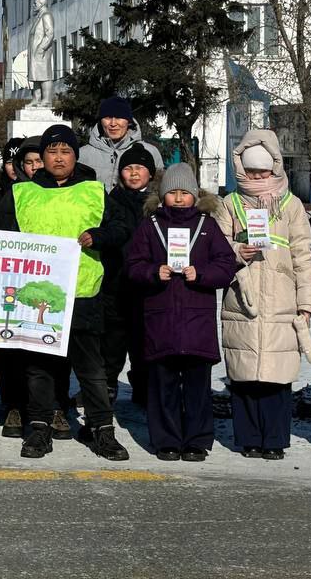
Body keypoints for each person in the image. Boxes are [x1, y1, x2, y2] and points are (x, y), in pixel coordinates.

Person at [0, 124, 130, 461]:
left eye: (65, 151)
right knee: (39, 367)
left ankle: (102, 429)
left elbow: (122, 229)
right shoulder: (21, 193)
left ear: (75, 156)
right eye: (52, 152)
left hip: (84, 293)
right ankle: (39, 428)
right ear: (41, 158)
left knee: (91, 370)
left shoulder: (94, 191)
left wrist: (99, 237)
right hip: (37, 296)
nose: (58, 157)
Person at [209, 129, 311, 460]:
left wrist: (307, 302)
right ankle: (249, 438)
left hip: (282, 305)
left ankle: (274, 440)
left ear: (276, 168)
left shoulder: (292, 206)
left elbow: (304, 256)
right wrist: (236, 251)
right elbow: (214, 248)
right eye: (251, 170)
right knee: (243, 376)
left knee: (276, 378)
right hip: (242, 302)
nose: (257, 176)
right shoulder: (229, 204)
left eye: (263, 170)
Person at [124, 164, 235, 461]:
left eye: (184, 193)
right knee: (163, 386)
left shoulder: (207, 226)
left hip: (197, 320)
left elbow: (226, 265)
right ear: (162, 196)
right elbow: (132, 265)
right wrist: (151, 272)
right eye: (172, 192)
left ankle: (198, 440)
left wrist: (201, 274)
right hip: (160, 320)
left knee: (198, 387)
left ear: (195, 195)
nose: (178, 198)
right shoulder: (150, 226)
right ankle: (166, 441)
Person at [0, 135, 71, 440]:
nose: (36, 166)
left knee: (54, 348)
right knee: (11, 348)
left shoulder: (62, 195)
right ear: (19, 166)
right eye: (29, 162)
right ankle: (14, 405)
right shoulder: (3, 199)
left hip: (51, 284)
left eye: (40, 160)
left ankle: (56, 406)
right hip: (12, 282)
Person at [90, 144, 156, 406]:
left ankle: (144, 388)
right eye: (128, 168)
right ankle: (106, 387)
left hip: (148, 286)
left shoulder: (159, 203)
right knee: (112, 343)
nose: (134, 173)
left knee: (144, 343)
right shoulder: (110, 200)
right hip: (115, 282)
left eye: (140, 168)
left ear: (150, 173)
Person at [78, 96, 164, 192]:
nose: (113, 123)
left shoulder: (149, 152)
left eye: (119, 117)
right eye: (108, 117)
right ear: (100, 121)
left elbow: (158, 191)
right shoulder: (83, 154)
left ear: (128, 121)